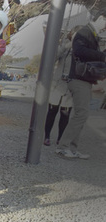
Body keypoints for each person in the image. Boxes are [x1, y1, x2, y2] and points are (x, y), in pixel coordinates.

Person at [56, 17, 106, 160]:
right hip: (79, 79)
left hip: (82, 79)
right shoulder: (85, 32)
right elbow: (79, 50)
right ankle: (63, 147)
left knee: (81, 115)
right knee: (81, 114)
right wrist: (102, 56)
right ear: (101, 19)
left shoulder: (89, 32)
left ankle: (71, 147)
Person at [43, 28, 77, 146]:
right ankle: (47, 136)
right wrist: (66, 46)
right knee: (52, 111)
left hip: (70, 85)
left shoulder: (82, 49)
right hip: (57, 83)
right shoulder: (65, 47)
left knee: (65, 113)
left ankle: (60, 138)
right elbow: (53, 57)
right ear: (71, 35)